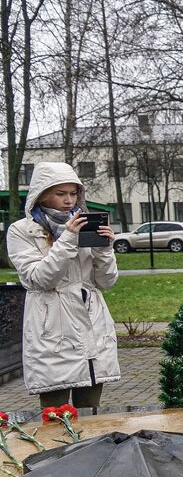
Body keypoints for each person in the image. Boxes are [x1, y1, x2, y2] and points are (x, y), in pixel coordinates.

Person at [7, 161, 119, 408]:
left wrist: (104, 249)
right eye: (60, 194)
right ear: (42, 194)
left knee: (91, 415)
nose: (69, 200)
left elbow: (106, 281)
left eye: (73, 193)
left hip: (91, 322)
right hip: (52, 326)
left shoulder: (84, 224)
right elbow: (39, 278)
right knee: (56, 418)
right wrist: (68, 239)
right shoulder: (21, 231)